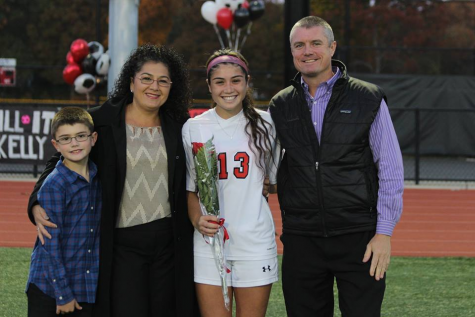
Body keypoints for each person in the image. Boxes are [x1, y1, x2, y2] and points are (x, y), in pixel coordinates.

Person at [27, 44, 198, 317]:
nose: (154, 86)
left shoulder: (180, 125)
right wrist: (35, 202)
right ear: (131, 81)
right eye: (146, 79)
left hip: (169, 246)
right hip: (121, 246)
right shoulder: (101, 121)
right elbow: (56, 161)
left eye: (163, 81)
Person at [268, 16, 404, 317]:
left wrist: (384, 233)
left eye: (315, 43)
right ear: (292, 52)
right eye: (299, 45)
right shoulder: (280, 104)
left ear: (332, 47)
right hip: (302, 238)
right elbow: (270, 166)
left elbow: (391, 170)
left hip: (359, 236)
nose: (307, 51)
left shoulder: (367, 97)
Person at [182, 49, 281, 317]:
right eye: (220, 81)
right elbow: (191, 189)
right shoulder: (193, 127)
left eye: (236, 80)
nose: (229, 88)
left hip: (255, 242)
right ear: (209, 86)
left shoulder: (267, 124)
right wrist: (196, 220)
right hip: (209, 243)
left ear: (247, 81)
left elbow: (273, 181)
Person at [26, 107, 100, 316]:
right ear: (56, 145)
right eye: (66, 139)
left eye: (80, 136)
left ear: (93, 138)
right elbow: (50, 246)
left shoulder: (97, 177)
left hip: (83, 284)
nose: (74, 143)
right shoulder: (55, 184)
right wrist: (63, 294)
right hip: (50, 289)